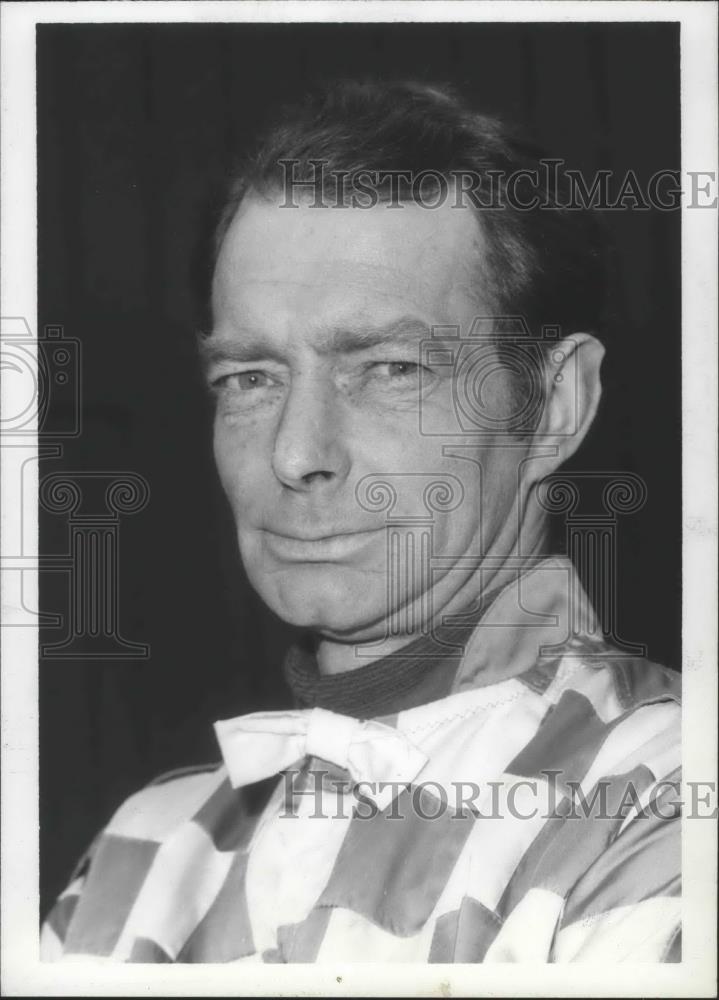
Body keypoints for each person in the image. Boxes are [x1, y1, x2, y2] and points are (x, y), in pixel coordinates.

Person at [41, 80, 681, 963]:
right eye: (250, 379)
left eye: (388, 369)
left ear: (554, 405)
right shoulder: (138, 855)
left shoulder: (660, 799)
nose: (295, 453)